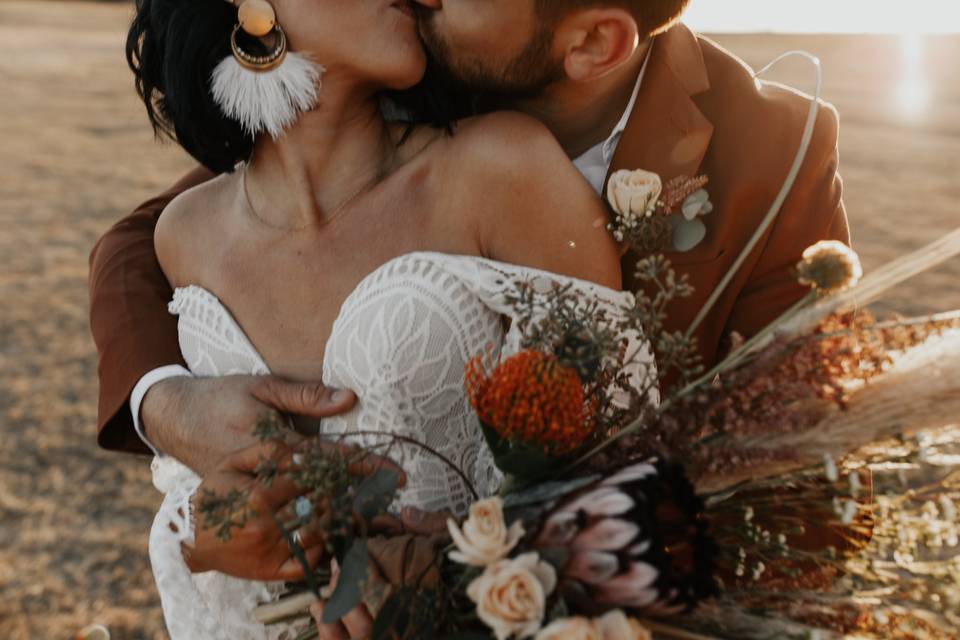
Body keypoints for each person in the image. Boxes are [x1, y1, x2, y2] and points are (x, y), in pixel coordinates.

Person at [113, 0, 653, 637]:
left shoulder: (504, 170)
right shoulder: (184, 234)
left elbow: (623, 479)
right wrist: (205, 533)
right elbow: (194, 507)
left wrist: (455, 582)